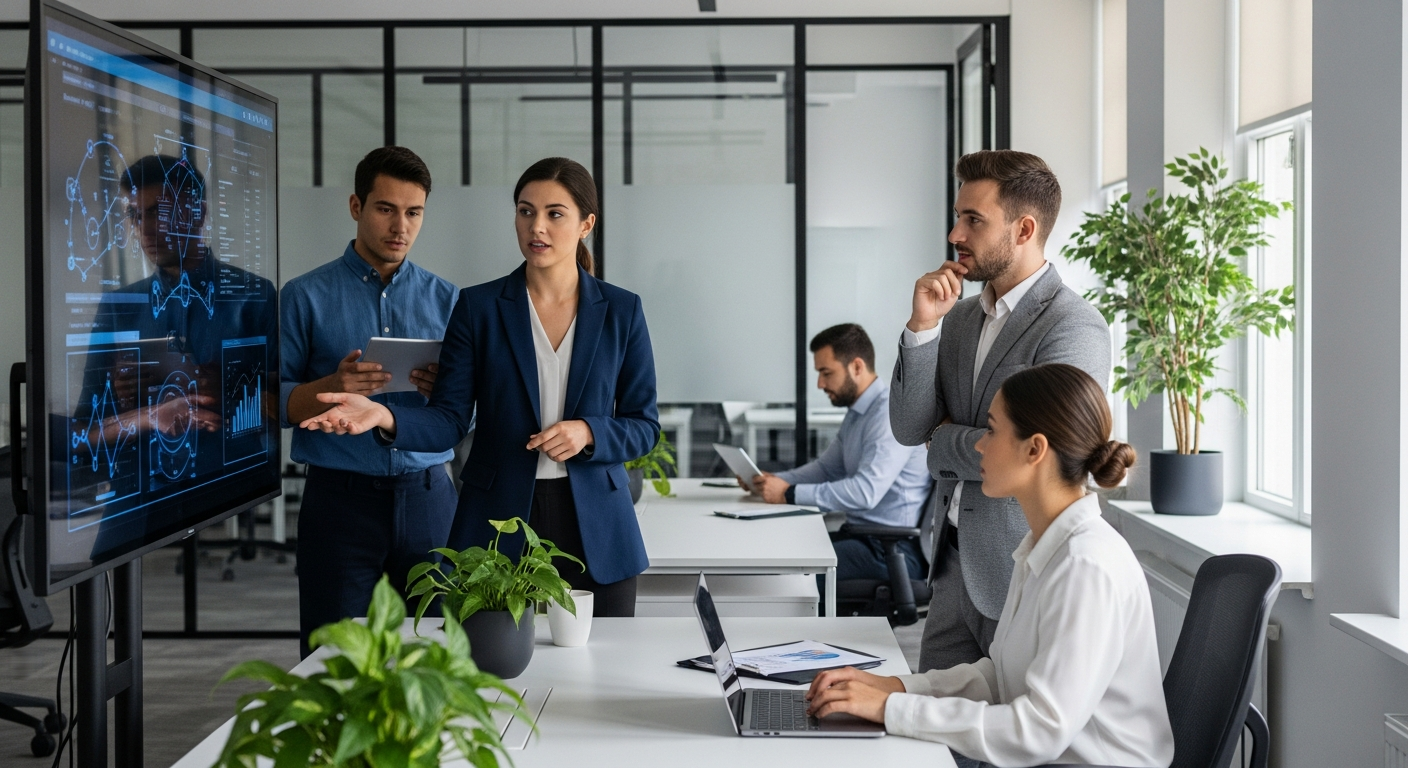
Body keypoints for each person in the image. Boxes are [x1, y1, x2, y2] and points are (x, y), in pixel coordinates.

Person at [298, 157, 659, 618]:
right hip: (500, 522)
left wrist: (588, 432)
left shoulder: (622, 311)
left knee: (602, 672)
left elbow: (643, 425)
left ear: (586, 223)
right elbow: (449, 418)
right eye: (525, 211)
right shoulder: (479, 307)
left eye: (555, 213)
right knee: (498, 677)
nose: (537, 227)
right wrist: (386, 416)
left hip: (598, 526)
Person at [807, 364, 1173, 768]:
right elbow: (997, 677)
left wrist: (891, 708)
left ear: (1034, 449)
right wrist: (895, 687)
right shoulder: (1043, 545)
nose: (979, 446)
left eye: (992, 430)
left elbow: (1038, 730)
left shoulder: (1085, 566)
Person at [889, 150, 1111, 672]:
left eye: (973, 220)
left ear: (1024, 228)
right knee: (939, 735)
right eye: (957, 216)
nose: (954, 235)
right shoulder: (960, 318)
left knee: (1009, 736)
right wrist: (922, 327)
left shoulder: (1073, 327)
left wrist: (942, 443)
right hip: (950, 566)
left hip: (1021, 565)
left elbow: (1047, 453)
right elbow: (908, 428)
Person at [280, 146, 459, 656]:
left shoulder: (449, 301)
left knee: (441, 658)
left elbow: (465, 412)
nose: (400, 225)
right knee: (334, 662)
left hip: (429, 499)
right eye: (386, 209)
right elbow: (277, 404)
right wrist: (330, 385)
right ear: (357, 206)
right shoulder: (303, 296)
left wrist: (443, 389)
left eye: (414, 212)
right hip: (339, 503)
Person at [745, 323, 930, 592]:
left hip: (891, 549)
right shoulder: (858, 413)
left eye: (826, 373)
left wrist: (789, 494)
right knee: (779, 554)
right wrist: (771, 481)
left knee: (789, 579)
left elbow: (865, 493)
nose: (820, 384)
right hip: (862, 536)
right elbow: (826, 469)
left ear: (856, 367)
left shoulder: (889, 414)